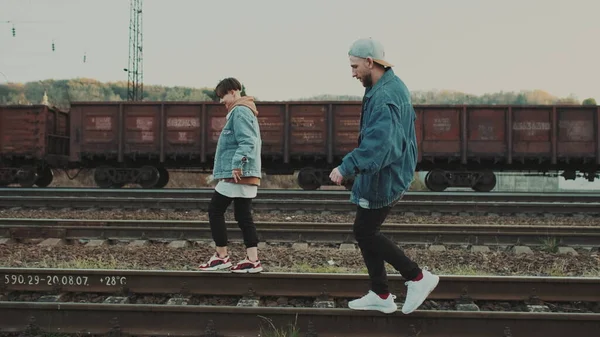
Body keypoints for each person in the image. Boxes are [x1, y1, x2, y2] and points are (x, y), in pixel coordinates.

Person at [329, 38, 439, 314]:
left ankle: (417, 277)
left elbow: (381, 143)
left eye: (355, 66)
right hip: (388, 172)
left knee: (365, 231)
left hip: (384, 176)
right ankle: (381, 293)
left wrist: (346, 166)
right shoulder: (389, 86)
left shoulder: (385, 96)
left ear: (369, 62)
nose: (352, 73)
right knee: (365, 231)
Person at [198, 77, 263, 273]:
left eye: (223, 95)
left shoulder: (240, 111)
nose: (221, 101)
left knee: (215, 210)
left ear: (234, 91)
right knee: (243, 216)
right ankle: (252, 260)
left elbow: (248, 141)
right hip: (244, 172)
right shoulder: (245, 110)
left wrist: (237, 165)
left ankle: (221, 256)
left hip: (238, 173)